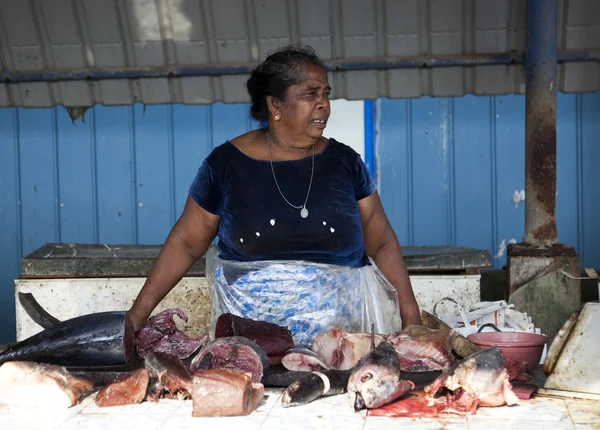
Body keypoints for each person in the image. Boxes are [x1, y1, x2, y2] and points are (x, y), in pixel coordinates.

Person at [128, 45, 420, 342]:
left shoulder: (346, 163)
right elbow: (186, 244)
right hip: (250, 353)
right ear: (275, 105)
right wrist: (136, 317)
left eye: (326, 94)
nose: (323, 104)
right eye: (310, 94)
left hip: (344, 348)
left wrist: (412, 318)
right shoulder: (226, 165)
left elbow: (382, 244)